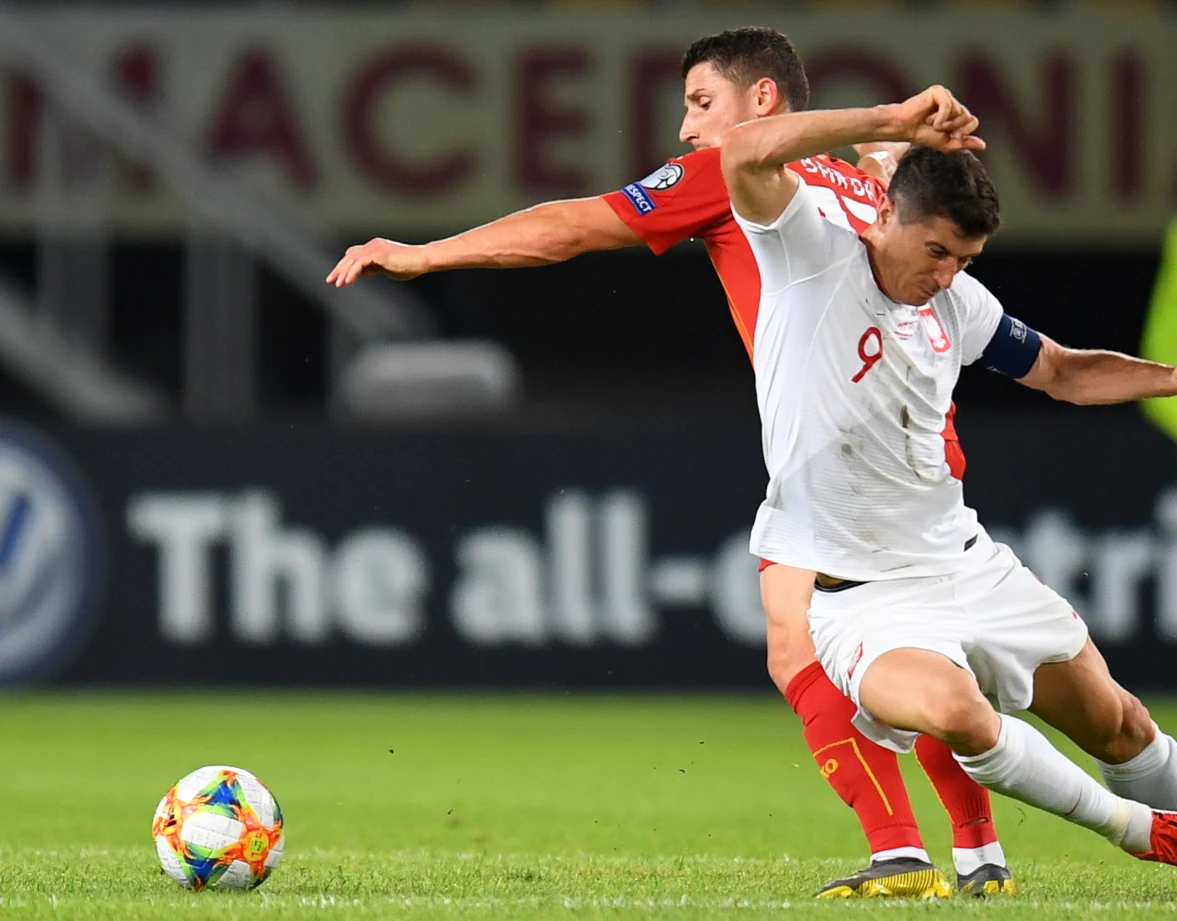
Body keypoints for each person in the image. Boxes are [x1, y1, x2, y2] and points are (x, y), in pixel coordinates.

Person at [328, 27, 1011, 900]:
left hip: (843, 462)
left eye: (701, 103)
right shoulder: (863, 180)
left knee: (807, 646)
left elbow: (570, 227)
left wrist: (426, 253)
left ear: (762, 101)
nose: (689, 130)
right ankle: (977, 851)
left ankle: (902, 852)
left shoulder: (739, 172)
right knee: (894, 650)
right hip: (918, 444)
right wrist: (885, 150)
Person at [716, 83, 1177, 900]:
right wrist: (889, 123)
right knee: (959, 711)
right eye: (935, 251)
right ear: (881, 215)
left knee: (1121, 724)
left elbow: (1060, 371)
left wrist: (1171, 378)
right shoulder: (806, 256)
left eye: (964, 261)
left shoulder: (959, 302)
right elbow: (740, 152)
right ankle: (1160, 839)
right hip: (864, 599)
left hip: (971, 569)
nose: (945, 275)